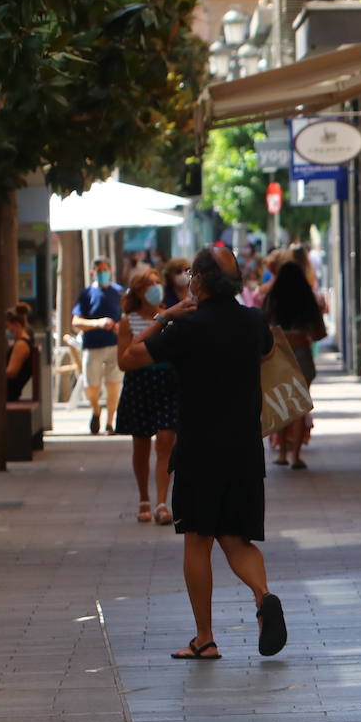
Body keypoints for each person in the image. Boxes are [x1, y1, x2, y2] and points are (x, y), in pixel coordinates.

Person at [119, 245, 287, 662]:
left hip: (198, 450)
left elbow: (129, 359)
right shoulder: (251, 320)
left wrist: (163, 317)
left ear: (200, 281)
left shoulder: (188, 326)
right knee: (236, 537)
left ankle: (205, 638)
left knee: (198, 540)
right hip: (245, 448)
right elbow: (267, 352)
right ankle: (264, 597)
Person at [115, 268, 179, 525]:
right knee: (140, 444)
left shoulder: (170, 315)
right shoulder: (127, 322)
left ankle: (162, 502)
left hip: (167, 383)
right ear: (139, 291)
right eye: (149, 285)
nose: (155, 288)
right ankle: (144, 497)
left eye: (157, 283)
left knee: (165, 440)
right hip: (139, 384)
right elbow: (123, 362)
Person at [264, 261, 327, 470]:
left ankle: (282, 452)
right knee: (300, 405)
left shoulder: (272, 299)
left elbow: (262, 326)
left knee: (280, 402)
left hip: (278, 353)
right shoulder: (307, 299)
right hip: (301, 352)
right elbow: (320, 333)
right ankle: (296, 456)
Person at [73, 257, 124, 434]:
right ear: (93, 272)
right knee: (91, 386)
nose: (102, 273)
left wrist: (120, 327)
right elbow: (76, 322)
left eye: (105, 270)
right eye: (99, 270)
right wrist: (98, 323)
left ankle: (110, 422)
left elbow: (127, 316)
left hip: (114, 345)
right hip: (92, 345)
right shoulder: (86, 294)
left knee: (113, 384)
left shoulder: (119, 292)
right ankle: (96, 410)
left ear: (110, 271)